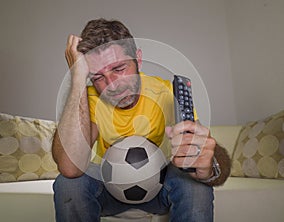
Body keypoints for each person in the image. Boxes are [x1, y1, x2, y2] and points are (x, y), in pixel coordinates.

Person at [52, 18, 231, 222]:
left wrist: (208, 166)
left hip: (162, 188)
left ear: (138, 58)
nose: (112, 85)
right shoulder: (90, 98)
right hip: (110, 188)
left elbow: (208, 155)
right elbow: (70, 168)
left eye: (119, 69)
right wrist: (77, 79)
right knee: (69, 184)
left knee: (195, 184)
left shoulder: (165, 93)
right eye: (98, 77)